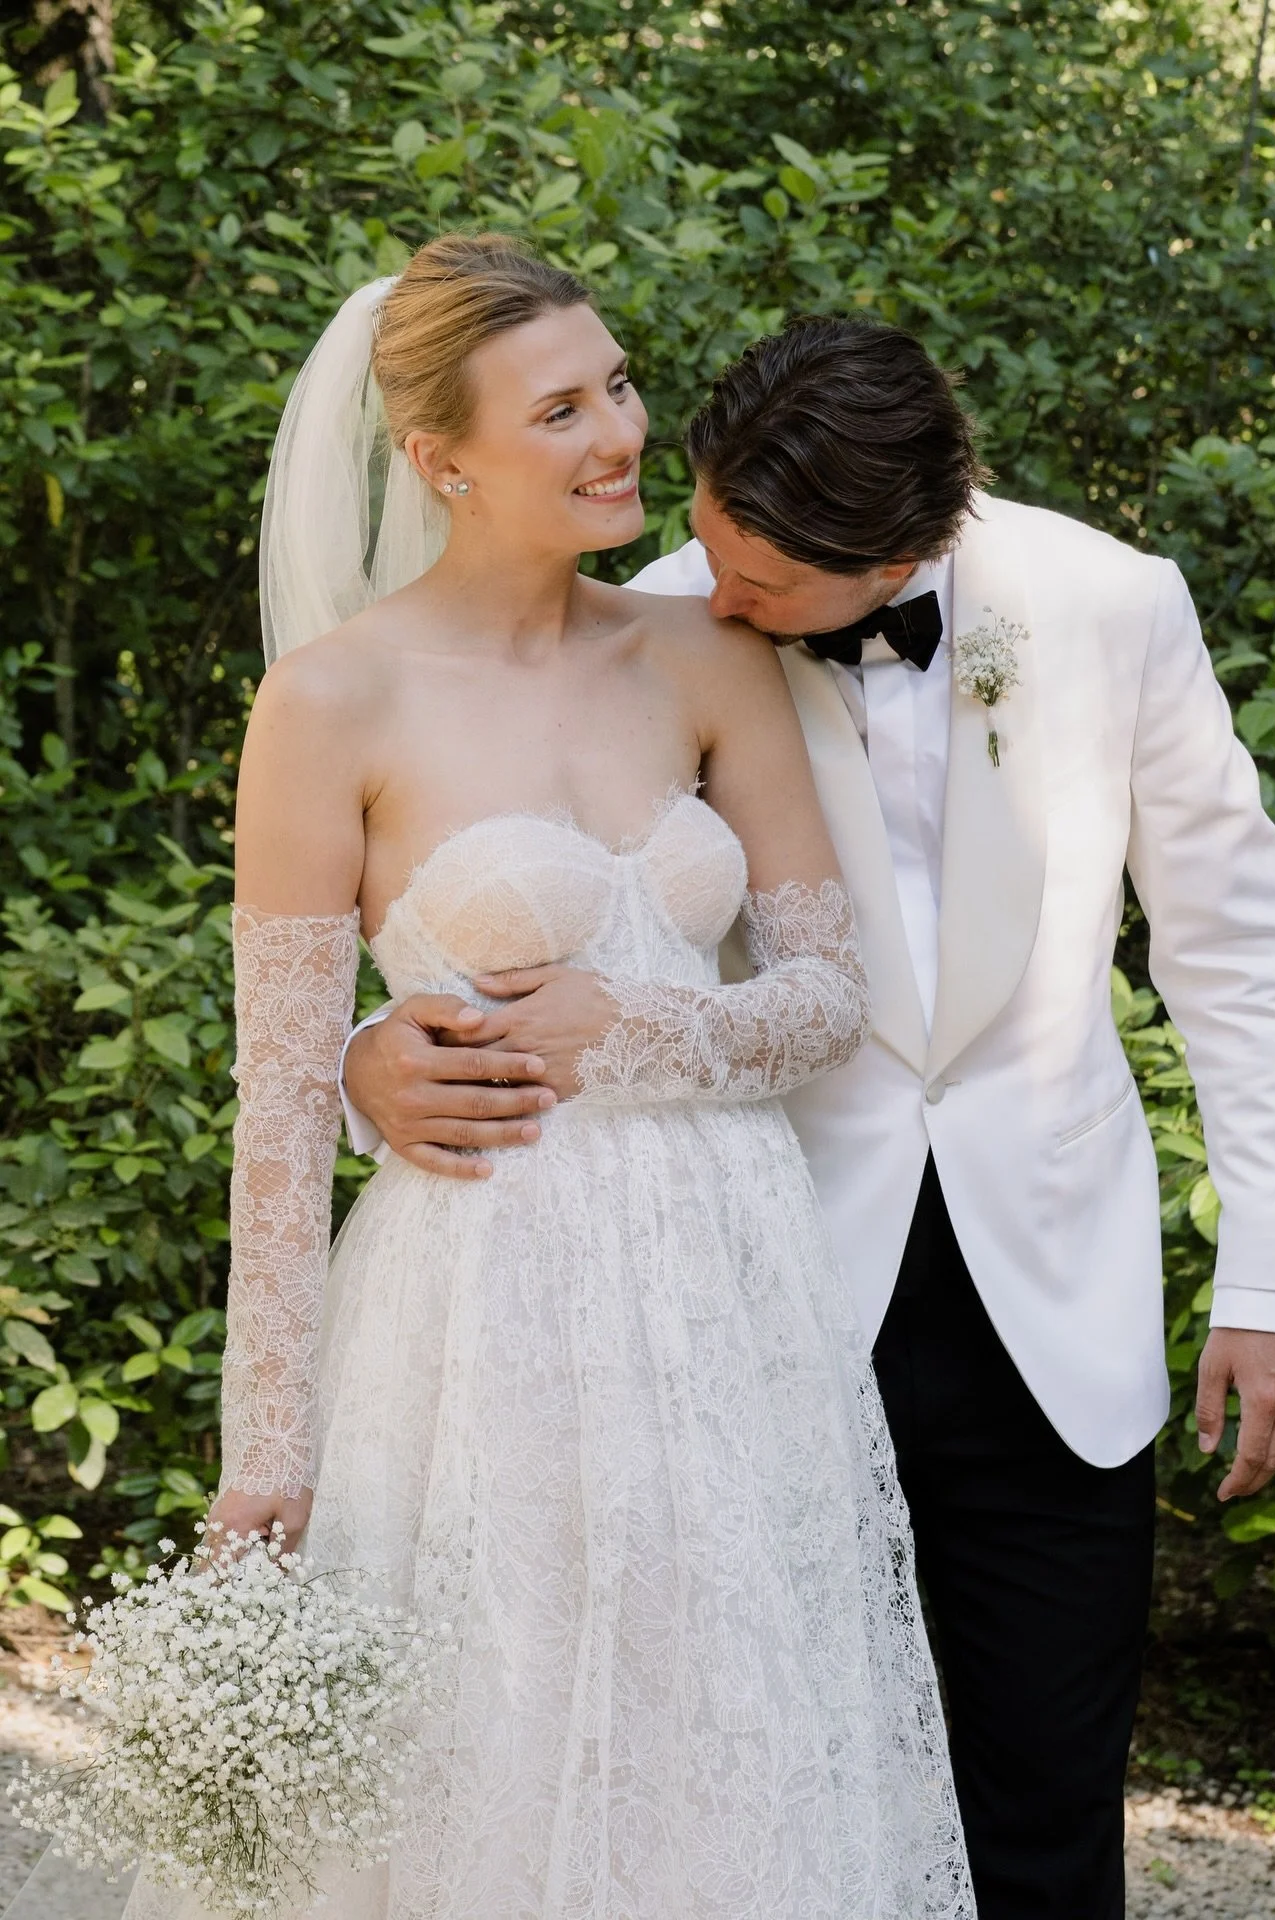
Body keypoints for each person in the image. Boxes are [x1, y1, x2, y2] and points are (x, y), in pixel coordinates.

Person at [344, 314, 1275, 1918]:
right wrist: (369, 1051)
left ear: (905, 550)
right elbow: (473, 889)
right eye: (713, 543)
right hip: (745, 1304)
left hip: (1052, 1308)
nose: (719, 594)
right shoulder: (652, 618)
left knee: (1045, 1804)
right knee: (759, 1809)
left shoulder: (1112, 605)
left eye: (765, 587)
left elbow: (1235, 948)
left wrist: (1271, 1285)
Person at [125, 242, 973, 1919]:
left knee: (721, 1761)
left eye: (621, 385)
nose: (620, 435)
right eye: (563, 408)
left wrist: (638, 1031)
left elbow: (822, 999)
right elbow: (283, 1111)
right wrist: (263, 1456)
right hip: (477, 1313)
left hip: (733, 1307)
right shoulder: (328, 703)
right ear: (442, 459)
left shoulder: (705, 657)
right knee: (479, 1771)